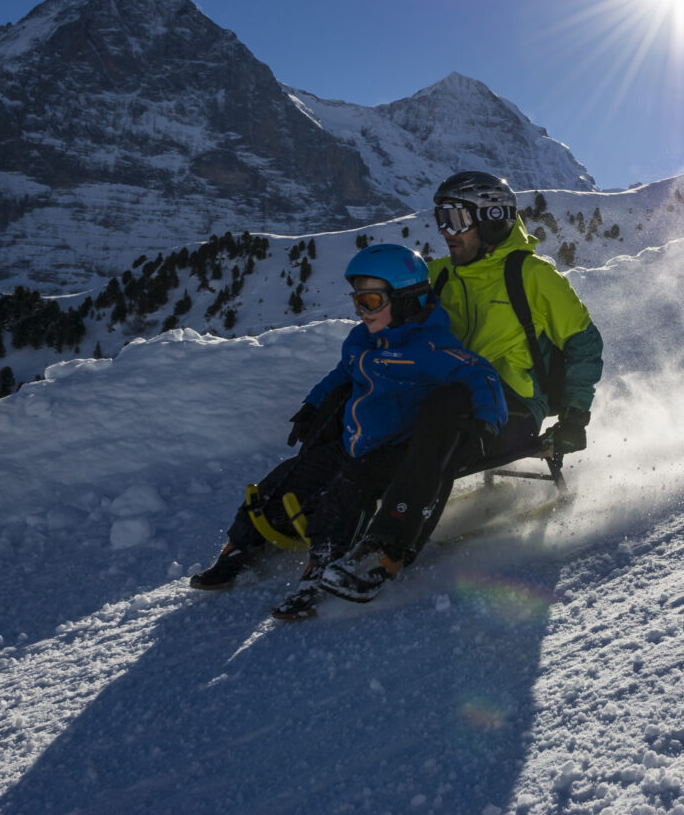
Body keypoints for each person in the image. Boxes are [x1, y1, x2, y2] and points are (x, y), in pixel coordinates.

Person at [189, 243, 508, 619]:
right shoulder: (361, 340)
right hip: (353, 441)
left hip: (396, 449)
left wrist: (487, 423)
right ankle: (242, 545)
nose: (361, 310)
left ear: (406, 300)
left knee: (346, 493)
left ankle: (324, 566)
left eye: (371, 301)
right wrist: (312, 404)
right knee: (284, 480)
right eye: (357, 300)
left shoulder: (431, 347)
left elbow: (480, 374)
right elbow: (341, 374)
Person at [420, 171, 603, 524]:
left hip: (512, 408)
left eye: (455, 219)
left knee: (441, 427)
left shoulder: (532, 275)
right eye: (441, 218)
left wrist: (574, 418)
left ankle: (399, 528)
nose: (445, 231)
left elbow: (584, 345)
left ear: (492, 220)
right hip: (447, 397)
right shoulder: (439, 276)